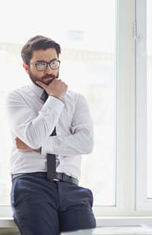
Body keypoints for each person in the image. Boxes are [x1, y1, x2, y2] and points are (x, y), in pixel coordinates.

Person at [6, 35, 96, 235]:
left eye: (53, 62)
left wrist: (39, 147)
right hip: (32, 185)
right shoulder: (17, 98)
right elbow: (35, 136)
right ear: (26, 67)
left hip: (72, 187)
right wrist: (55, 97)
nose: (49, 70)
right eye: (40, 64)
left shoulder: (77, 99)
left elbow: (86, 143)